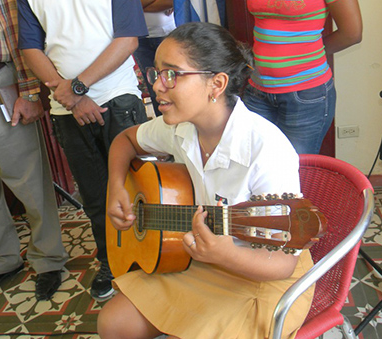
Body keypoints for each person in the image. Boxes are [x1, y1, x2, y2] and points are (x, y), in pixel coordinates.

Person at [98, 22, 315, 339]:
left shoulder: (266, 149)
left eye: (171, 74)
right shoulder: (179, 128)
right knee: (112, 325)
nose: (157, 86)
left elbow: (281, 263)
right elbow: (125, 141)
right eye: (155, 73)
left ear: (216, 84)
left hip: (261, 275)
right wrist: (115, 188)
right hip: (201, 258)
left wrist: (226, 255)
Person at [17, 0, 149, 300]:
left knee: (139, 188)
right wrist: (73, 98)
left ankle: (149, 256)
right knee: (94, 197)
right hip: (65, 109)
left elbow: (127, 39)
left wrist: (78, 87)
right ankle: (111, 261)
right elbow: (30, 48)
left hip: (118, 98)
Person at [0, 0, 68, 302]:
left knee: (27, 180)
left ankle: (49, 259)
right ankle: (2, 261)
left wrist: (28, 91)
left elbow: (16, 31)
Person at [242, 0, 362, 154]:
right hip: (257, 91)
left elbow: (352, 33)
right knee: (254, 164)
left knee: (296, 169)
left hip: (306, 95)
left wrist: (307, 54)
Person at [134, 0, 176, 116]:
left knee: (175, 84)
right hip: (140, 36)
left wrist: (136, 6)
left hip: (168, 33)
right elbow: (126, 4)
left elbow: (172, 2)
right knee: (154, 88)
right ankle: (163, 127)